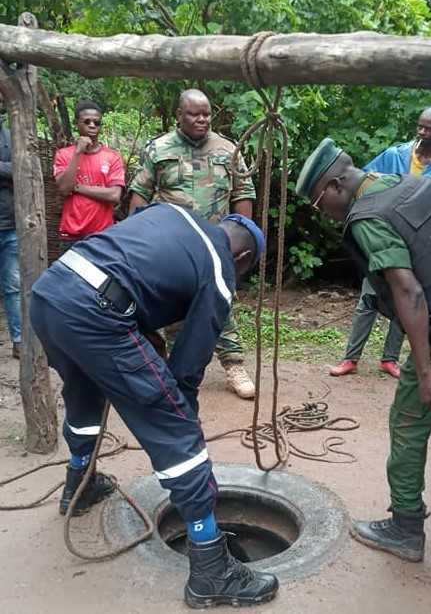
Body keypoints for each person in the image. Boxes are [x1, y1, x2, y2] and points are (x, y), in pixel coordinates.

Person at [29, 202, 278, 608]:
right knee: (176, 428)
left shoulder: (172, 214)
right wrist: (181, 417)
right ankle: (212, 571)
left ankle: (80, 482)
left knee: (83, 395)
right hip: (97, 313)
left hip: (51, 293)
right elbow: (190, 364)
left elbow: (136, 273)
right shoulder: (220, 267)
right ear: (244, 257)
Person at [296, 138, 431, 563]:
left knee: (408, 426)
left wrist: (426, 372)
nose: (325, 213)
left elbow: (407, 290)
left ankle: (406, 528)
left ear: (335, 185)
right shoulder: (407, 183)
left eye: (320, 204)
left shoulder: (367, 217)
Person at [128, 89, 256, 400]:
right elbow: (139, 196)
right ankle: (173, 369)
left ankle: (234, 364)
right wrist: (135, 244)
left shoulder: (229, 150)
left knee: (221, 304)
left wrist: (243, 239)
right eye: (194, 114)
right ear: (178, 115)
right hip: (171, 248)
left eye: (206, 113)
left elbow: (243, 194)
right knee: (174, 305)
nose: (202, 119)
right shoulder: (158, 149)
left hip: (216, 245)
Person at [330, 107, 431, 380]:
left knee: (405, 300)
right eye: (420, 126)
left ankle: (389, 359)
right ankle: (350, 358)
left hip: (418, 247)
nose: (422, 132)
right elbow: (362, 182)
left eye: (429, 128)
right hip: (383, 239)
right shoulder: (395, 155)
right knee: (369, 297)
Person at [54, 100, 125, 249]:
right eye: (87, 121)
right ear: (77, 124)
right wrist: (78, 152)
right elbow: (65, 189)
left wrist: (78, 188)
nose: (92, 125)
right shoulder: (64, 155)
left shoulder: (112, 157)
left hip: (103, 235)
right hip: (70, 236)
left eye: (96, 122)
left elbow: (114, 196)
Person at [0, 95, 21, 359]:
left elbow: (20, 168)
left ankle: (18, 340)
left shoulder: (10, 135)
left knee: (13, 287)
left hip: (10, 224)